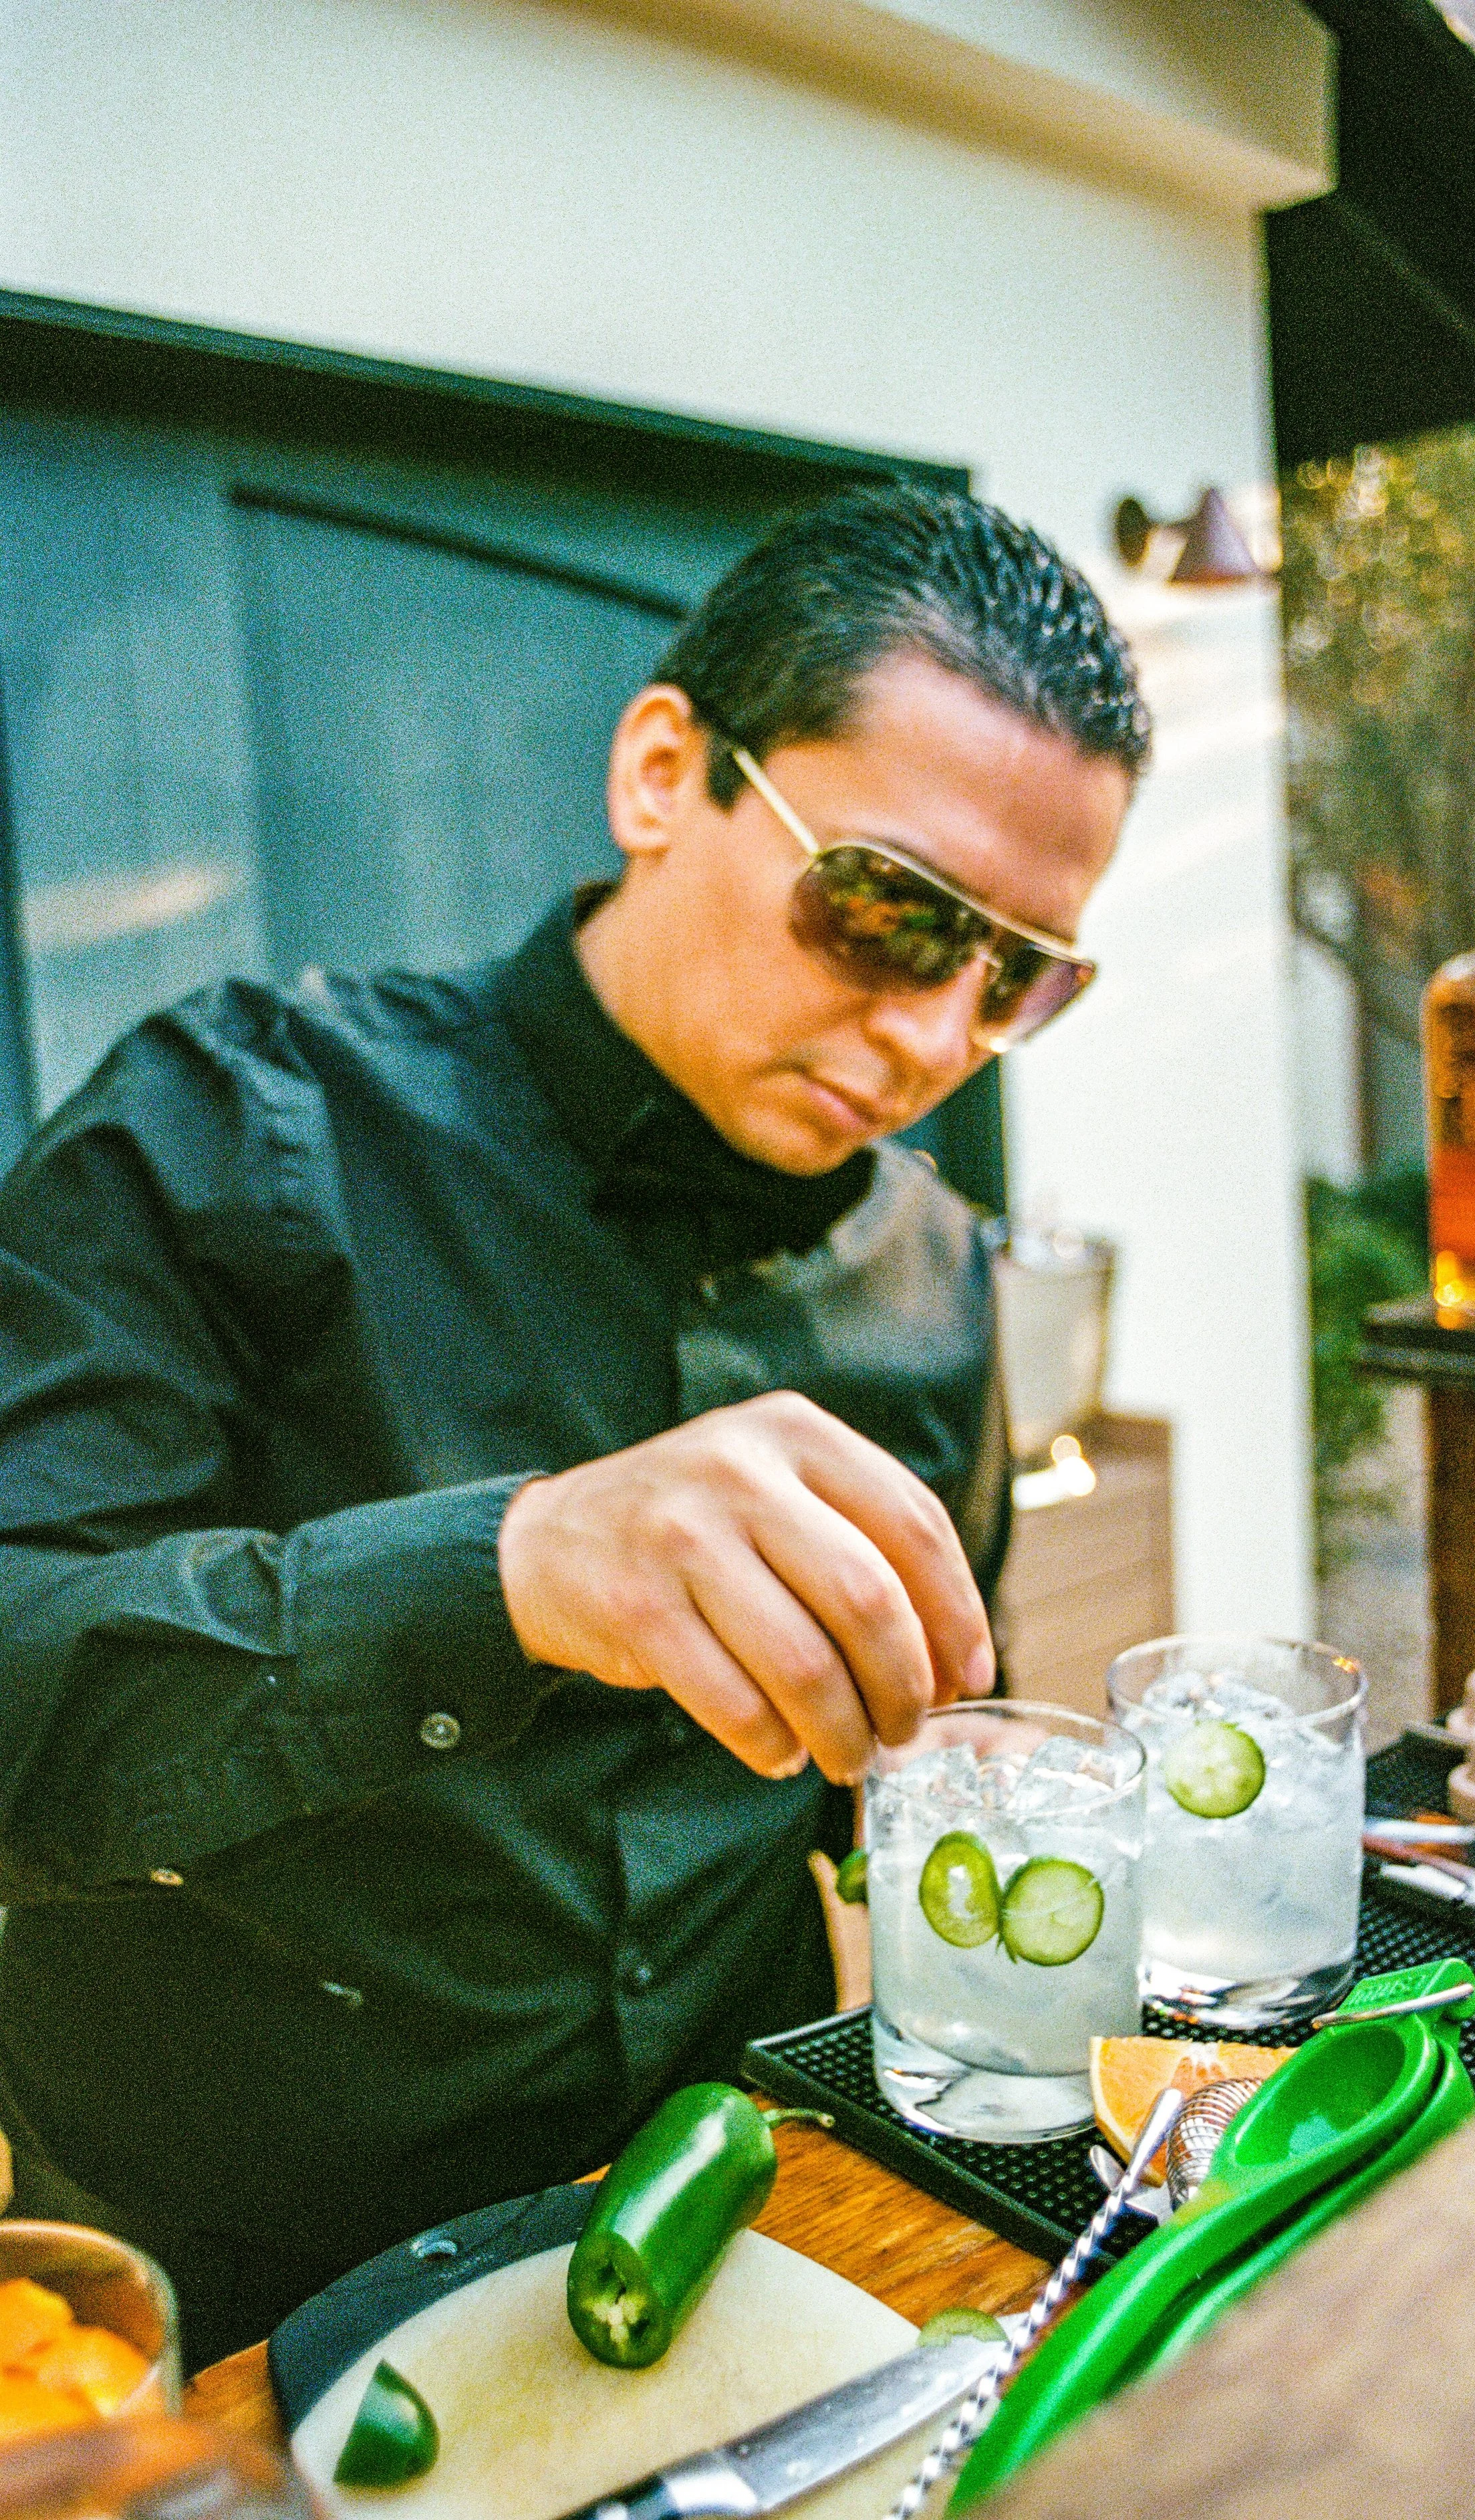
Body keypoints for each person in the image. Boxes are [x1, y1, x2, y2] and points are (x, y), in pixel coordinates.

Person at [0, 485, 1148, 2362]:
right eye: (889, 911)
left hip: (739, 2219)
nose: (940, 1032)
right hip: (225, 2283)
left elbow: (913, 1765)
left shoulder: (939, 1274)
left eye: (1016, 974)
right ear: (663, 772)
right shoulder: (232, 1126)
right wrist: (502, 1570)